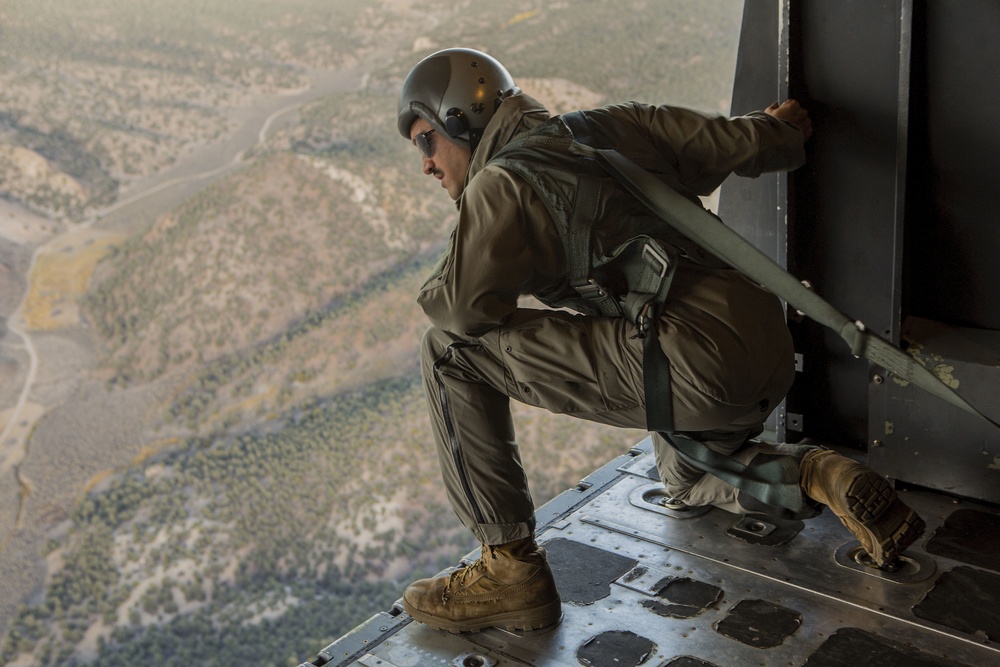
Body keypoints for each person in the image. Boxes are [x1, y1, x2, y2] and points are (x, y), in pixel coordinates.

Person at [395, 47, 925, 634]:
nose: (425, 165)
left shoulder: (498, 187)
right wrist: (776, 128)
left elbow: (462, 310)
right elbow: (735, 143)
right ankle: (821, 475)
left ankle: (509, 568)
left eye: (426, 142)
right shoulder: (604, 127)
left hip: (692, 361)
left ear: (459, 121)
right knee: (687, 479)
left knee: (446, 352)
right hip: (767, 343)